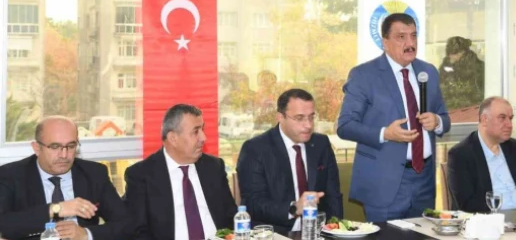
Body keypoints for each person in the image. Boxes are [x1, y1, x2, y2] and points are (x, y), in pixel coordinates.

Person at [337, 13, 451, 222]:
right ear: (385, 42)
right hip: (384, 181)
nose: (410, 43)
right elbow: (345, 126)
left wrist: (437, 121)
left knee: (423, 235)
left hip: (424, 181)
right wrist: (385, 134)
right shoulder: (364, 75)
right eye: (401, 37)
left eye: (413, 36)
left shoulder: (428, 72)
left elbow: (445, 118)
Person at [0, 116, 132, 240]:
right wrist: (56, 209)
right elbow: (4, 225)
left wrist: (86, 234)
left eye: (71, 146)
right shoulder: (11, 175)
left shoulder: (94, 173)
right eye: (55, 147)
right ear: (37, 148)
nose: (64, 155)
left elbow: (125, 224)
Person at [237, 88, 343, 233]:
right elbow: (254, 204)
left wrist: (335, 230)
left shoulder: (321, 144)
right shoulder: (256, 149)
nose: (308, 125)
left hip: (317, 232)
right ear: (280, 117)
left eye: (311, 117)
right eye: (299, 118)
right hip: (275, 233)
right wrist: (294, 208)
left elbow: (333, 196)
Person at [124, 104, 236, 240]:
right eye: (196, 131)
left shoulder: (213, 167)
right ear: (173, 139)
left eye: (202, 129)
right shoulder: (141, 175)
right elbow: (137, 232)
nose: (203, 137)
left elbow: (231, 218)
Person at [447, 97, 516, 213]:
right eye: (502, 118)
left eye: (510, 118)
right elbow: (466, 205)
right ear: (484, 120)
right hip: (488, 221)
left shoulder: (514, 148)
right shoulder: (461, 154)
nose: (509, 124)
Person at [439, 36, 485, 110]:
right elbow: (440, 86)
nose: (451, 56)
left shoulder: (477, 67)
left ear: (462, 52)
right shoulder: (446, 65)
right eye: (450, 53)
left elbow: (478, 93)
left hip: (471, 109)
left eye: (454, 53)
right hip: (449, 109)